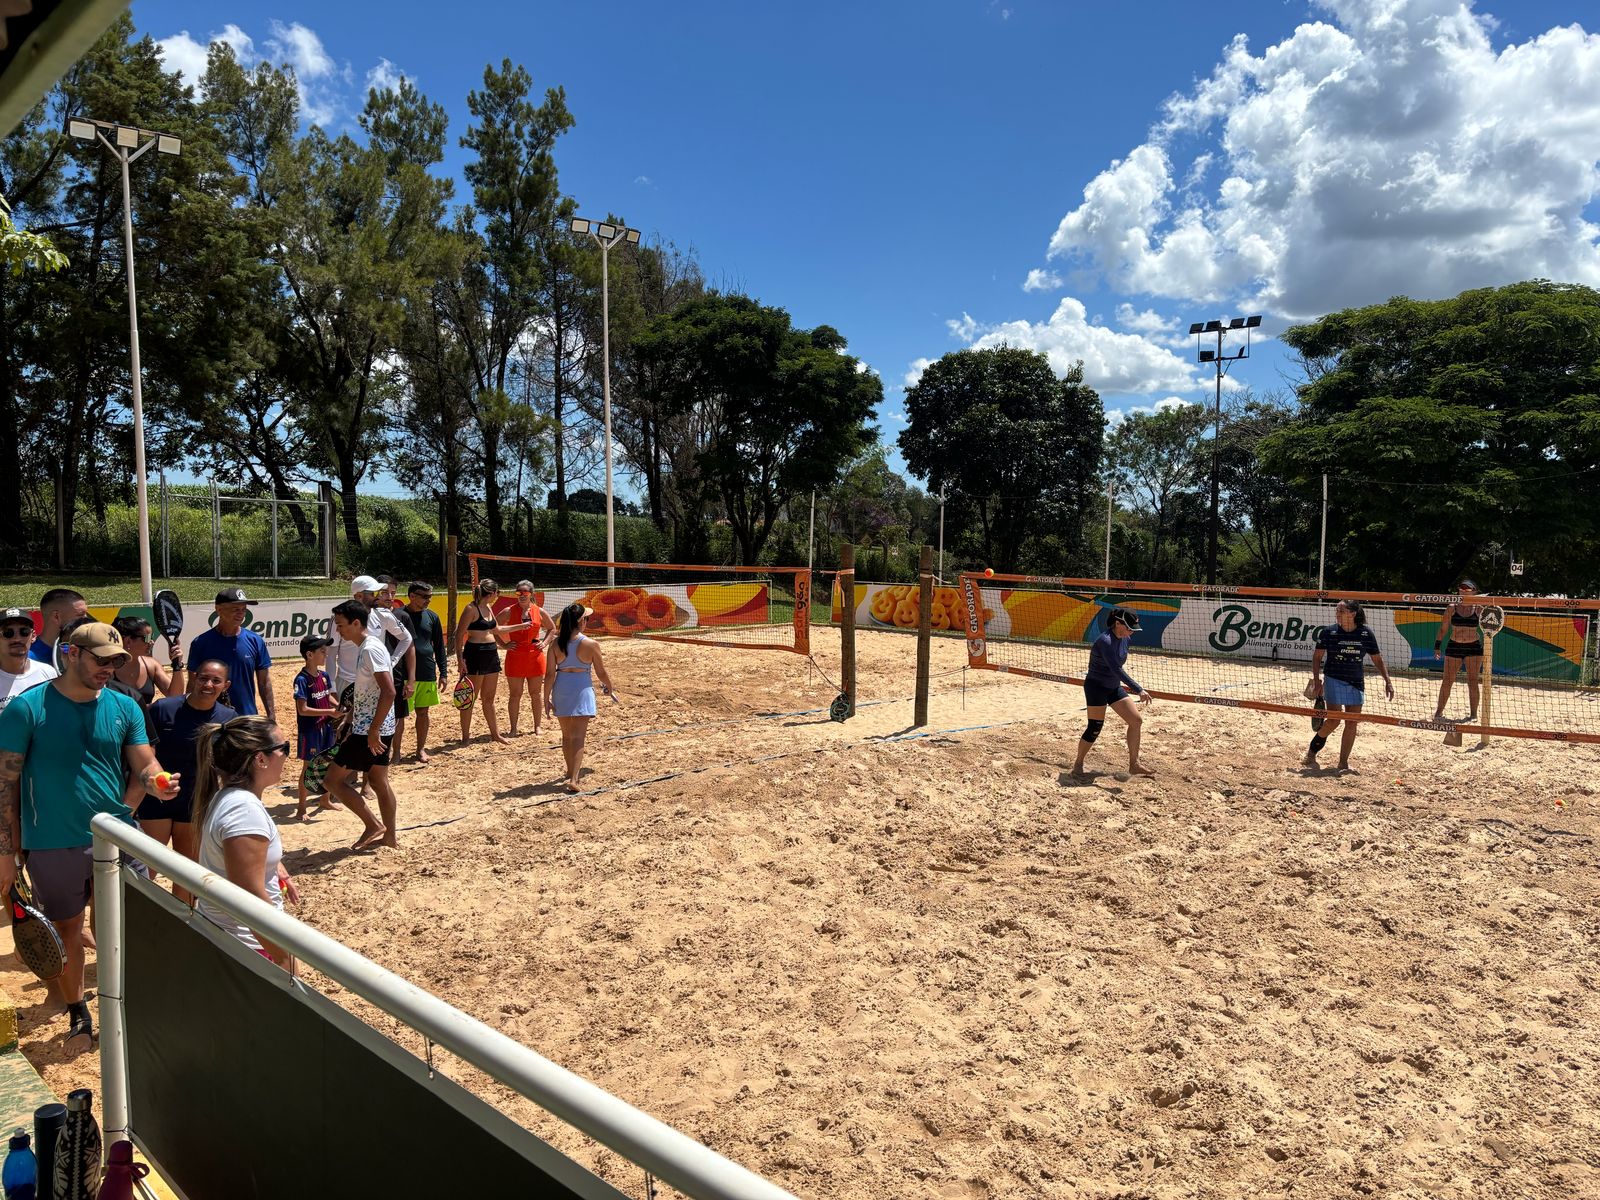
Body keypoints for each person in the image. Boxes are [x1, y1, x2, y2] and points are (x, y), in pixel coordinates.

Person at [0, 622, 181, 1047]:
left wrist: (157, 782)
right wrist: (5, 852)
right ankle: (78, 1012)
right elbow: (4, 787)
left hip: (118, 835)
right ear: (71, 654)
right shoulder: (26, 709)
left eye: (116, 661)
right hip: (52, 841)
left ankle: (125, 1003)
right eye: (100, 659)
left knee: (123, 927)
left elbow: (145, 763)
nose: (109, 668)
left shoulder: (124, 706)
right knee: (67, 932)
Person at [191, 716, 299, 971]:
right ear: (260, 759)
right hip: (249, 948)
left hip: (230, 939)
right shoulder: (244, 810)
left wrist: (274, 865)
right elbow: (249, 898)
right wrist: (284, 958)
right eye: (284, 748)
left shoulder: (228, 798)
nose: (286, 756)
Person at [140, 660, 237, 904]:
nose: (208, 684)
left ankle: (181, 926)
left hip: (197, 802)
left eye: (216, 681)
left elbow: (231, 764)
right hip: (156, 801)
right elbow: (142, 750)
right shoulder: (163, 708)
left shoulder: (229, 719)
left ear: (226, 685)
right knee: (144, 870)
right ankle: (132, 921)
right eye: (204, 678)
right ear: (193, 677)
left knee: (188, 874)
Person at [324, 600, 398, 850]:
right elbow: (373, 691)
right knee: (379, 782)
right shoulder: (369, 646)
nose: (338, 631)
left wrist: (373, 729)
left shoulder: (369, 649)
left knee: (332, 780)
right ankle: (390, 837)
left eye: (341, 625)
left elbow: (389, 692)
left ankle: (373, 825)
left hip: (370, 730)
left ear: (357, 623)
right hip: (376, 725)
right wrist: (352, 713)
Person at [1305, 599, 1396, 772]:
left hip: (1355, 681)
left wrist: (1388, 681)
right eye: (1337, 609)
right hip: (1333, 678)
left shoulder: (1365, 633)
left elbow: (1377, 658)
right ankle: (1312, 751)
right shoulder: (1329, 632)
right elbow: (1317, 657)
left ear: (1353, 613)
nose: (1337, 612)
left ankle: (1343, 763)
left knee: (1352, 723)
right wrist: (1316, 680)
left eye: (1341, 609)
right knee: (1333, 720)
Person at [1070, 607, 1154, 778]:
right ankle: (1078, 764)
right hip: (1096, 688)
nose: (1132, 632)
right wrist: (1139, 689)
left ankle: (1134, 764)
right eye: (1129, 628)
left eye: (1133, 629)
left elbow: (1118, 669)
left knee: (1136, 721)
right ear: (1117, 623)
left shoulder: (1125, 638)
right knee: (1095, 728)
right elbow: (1116, 669)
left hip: (1113, 687)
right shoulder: (1105, 641)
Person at [543, 604, 616, 793]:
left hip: (562, 687)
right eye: (586, 618)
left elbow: (549, 674)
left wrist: (546, 698)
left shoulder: (555, 644)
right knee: (578, 738)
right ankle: (574, 778)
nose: (587, 622)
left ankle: (569, 771)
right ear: (580, 621)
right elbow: (601, 672)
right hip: (581, 688)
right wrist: (609, 686)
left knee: (567, 736)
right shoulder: (590, 644)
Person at [453, 578, 530, 745]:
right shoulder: (470, 609)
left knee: (489, 698)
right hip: (475, 654)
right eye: (497, 592)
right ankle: (465, 737)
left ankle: (495, 734)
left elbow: (496, 630)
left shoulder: (487, 607)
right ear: (492, 593)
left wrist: (520, 627)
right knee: (469, 698)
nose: (498, 596)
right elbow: (459, 635)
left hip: (490, 653)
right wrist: (460, 660)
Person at [188, 587, 275, 721]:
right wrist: (189, 714)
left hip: (246, 717)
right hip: (210, 719)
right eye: (235, 609)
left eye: (243, 610)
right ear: (218, 609)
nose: (241, 614)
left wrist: (272, 716)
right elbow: (193, 683)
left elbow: (264, 682)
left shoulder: (255, 641)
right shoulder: (201, 643)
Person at [330, 575, 414, 698]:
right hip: (347, 682)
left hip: (376, 682)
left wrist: (392, 661)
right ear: (359, 596)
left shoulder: (383, 615)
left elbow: (407, 638)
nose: (378, 596)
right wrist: (331, 687)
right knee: (345, 717)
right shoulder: (339, 619)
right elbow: (331, 655)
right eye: (373, 593)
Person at [292, 635, 337, 818]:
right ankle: (301, 807)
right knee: (309, 767)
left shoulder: (324, 676)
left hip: (326, 727)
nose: (326, 654)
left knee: (327, 764)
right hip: (310, 730)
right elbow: (302, 710)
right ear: (309, 655)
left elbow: (327, 697)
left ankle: (325, 799)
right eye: (322, 651)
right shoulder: (301, 680)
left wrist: (339, 706)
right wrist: (330, 711)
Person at [503, 580, 554, 738]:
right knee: (515, 694)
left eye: (524, 593)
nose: (521, 596)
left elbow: (552, 628)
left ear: (531, 594)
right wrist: (503, 645)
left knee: (535, 693)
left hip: (534, 655)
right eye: (518, 593)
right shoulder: (509, 611)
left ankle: (537, 726)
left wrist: (544, 643)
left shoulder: (539, 611)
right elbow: (493, 627)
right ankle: (513, 728)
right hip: (516, 654)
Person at [403, 582, 447, 763]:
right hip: (403, 673)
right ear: (412, 596)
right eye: (425, 596)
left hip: (427, 671)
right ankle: (395, 752)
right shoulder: (399, 616)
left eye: (430, 596)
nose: (429, 600)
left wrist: (443, 672)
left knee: (423, 713)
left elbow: (439, 647)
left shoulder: (432, 617)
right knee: (399, 716)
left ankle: (420, 749)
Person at [375, 576, 418, 757]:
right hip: (373, 673)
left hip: (397, 673)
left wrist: (412, 679)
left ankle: (396, 753)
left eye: (393, 593)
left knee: (399, 714)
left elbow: (410, 648)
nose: (390, 596)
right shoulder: (368, 615)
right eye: (385, 592)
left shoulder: (402, 616)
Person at [1433, 578, 1484, 723]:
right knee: (1447, 680)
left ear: (1474, 592)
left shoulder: (1479, 608)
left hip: (1473, 647)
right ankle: (1438, 713)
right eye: (1461, 588)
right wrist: (1437, 646)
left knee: (1473, 681)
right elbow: (1443, 629)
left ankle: (1473, 715)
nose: (1463, 590)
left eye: (1467, 589)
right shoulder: (1452, 607)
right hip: (1454, 645)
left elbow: (1489, 627)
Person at [111, 615, 185, 708]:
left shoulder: (151, 665)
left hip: (147, 722)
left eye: (152, 637)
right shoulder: (107, 668)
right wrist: (150, 707)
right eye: (147, 638)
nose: (152, 642)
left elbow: (175, 696)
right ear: (128, 641)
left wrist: (177, 664)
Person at [0, 606, 57, 718]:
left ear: (33, 636)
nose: (17, 639)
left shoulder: (48, 673)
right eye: (8, 633)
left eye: (24, 632)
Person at [29, 589, 87, 667]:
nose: (86, 619)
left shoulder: (87, 652)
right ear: (56, 617)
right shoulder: (28, 659)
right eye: (80, 615)